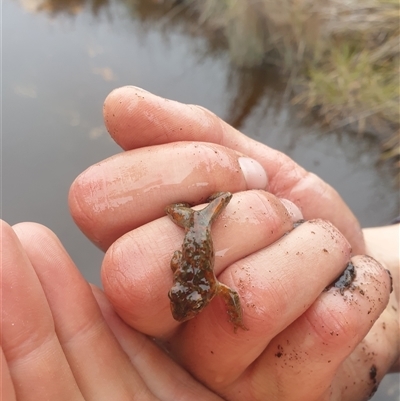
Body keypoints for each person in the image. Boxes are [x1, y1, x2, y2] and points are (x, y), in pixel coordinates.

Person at [1, 86, 398, 401]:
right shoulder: (212, 285)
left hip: (203, 222)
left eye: (187, 297)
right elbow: (214, 286)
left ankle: (206, 199)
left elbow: (210, 282)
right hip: (195, 223)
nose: (185, 299)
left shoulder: (212, 284)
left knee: (206, 211)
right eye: (186, 297)